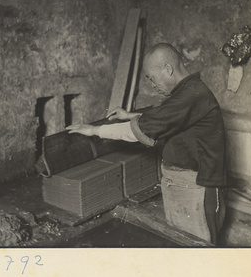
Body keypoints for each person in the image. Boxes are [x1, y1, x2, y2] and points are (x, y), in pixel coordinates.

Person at [66, 43, 227, 245]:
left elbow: (142, 129)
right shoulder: (185, 91)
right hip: (180, 182)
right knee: (179, 243)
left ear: (167, 69)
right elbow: (167, 116)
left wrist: (95, 130)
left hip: (196, 187)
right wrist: (129, 115)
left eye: (151, 78)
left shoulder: (191, 95)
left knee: (196, 249)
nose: (152, 84)